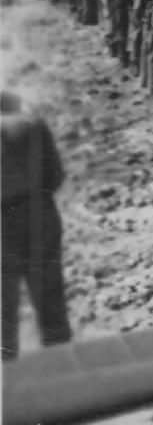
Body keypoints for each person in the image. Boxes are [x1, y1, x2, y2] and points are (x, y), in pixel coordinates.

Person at [1, 92, 72, 360]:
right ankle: (64, 370)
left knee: (3, 310)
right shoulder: (33, 124)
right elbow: (55, 175)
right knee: (51, 301)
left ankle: (7, 382)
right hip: (39, 214)